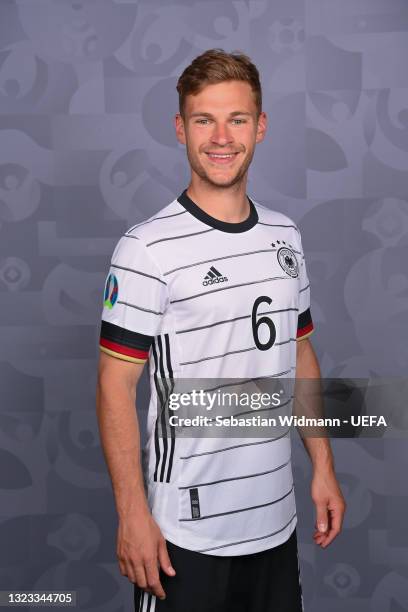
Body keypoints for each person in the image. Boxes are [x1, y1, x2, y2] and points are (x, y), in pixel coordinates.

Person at [96, 48, 346, 612]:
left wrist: (323, 468)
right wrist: (132, 514)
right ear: (180, 128)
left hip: (275, 523)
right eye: (204, 119)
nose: (221, 137)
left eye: (236, 119)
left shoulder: (286, 235)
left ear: (260, 127)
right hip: (186, 535)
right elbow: (115, 384)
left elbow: (300, 353)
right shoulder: (145, 249)